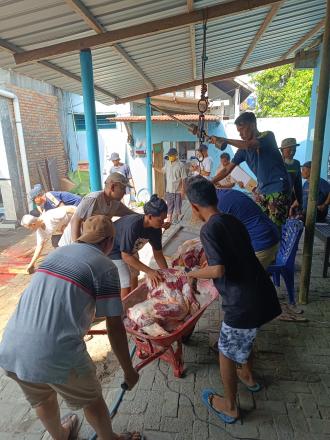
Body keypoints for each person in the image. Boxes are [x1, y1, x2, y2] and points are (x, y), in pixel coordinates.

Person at [0, 215, 142, 440]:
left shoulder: (56, 253)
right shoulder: (105, 266)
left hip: (11, 347)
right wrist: (128, 370)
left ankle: (61, 435)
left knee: (42, 398)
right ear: (109, 242)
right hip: (55, 352)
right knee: (91, 399)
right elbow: (114, 325)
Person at [184, 176, 281, 424]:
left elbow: (218, 270)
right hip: (261, 292)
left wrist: (192, 273)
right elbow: (234, 253)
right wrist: (211, 261)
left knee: (226, 352)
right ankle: (247, 375)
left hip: (242, 302)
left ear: (194, 207)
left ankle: (230, 406)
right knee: (248, 335)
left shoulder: (208, 229)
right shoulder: (231, 220)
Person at [210, 112, 290, 227]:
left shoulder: (267, 136)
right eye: (238, 132)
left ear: (252, 125)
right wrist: (211, 181)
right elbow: (227, 169)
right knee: (262, 226)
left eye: (242, 129)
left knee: (276, 228)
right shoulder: (242, 151)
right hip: (262, 191)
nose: (241, 134)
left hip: (278, 189)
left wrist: (225, 140)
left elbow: (249, 145)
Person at [109, 195, 168, 299]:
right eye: (160, 220)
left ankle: (133, 300)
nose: (163, 223)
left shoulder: (156, 229)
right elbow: (126, 256)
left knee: (135, 274)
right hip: (113, 249)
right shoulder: (133, 226)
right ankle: (123, 311)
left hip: (129, 249)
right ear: (149, 217)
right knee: (125, 281)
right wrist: (150, 271)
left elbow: (158, 255)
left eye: (164, 219)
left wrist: (168, 274)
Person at [216, 189, 280, 270]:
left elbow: (221, 239)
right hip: (268, 235)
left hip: (262, 243)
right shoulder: (227, 193)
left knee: (236, 278)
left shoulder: (219, 204)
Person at [70, 172, 134, 242]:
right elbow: (75, 221)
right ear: (112, 187)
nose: (125, 192)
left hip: (90, 241)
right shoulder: (93, 199)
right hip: (73, 241)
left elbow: (130, 213)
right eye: (123, 188)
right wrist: (77, 245)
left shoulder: (115, 202)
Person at [21, 205, 75, 273]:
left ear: (33, 224)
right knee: (58, 246)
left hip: (75, 221)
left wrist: (73, 222)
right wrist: (31, 264)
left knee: (69, 244)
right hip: (62, 230)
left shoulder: (50, 216)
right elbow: (39, 247)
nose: (30, 230)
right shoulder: (40, 231)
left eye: (29, 228)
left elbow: (70, 209)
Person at [153, 148, 186, 223]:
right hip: (169, 190)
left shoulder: (181, 165)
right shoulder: (167, 163)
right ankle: (169, 219)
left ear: (176, 155)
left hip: (178, 190)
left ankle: (177, 218)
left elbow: (184, 178)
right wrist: (154, 167)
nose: (170, 156)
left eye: (172, 155)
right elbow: (162, 171)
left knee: (178, 206)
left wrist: (183, 190)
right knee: (169, 206)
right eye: (169, 155)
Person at [279, 138, 303, 217]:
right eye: (289, 149)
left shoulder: (296, 163)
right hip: (276, 198)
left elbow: (298, 185)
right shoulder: (277, 163)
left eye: (294, 149)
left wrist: (300, 201)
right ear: (282, 150)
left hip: (290, 198)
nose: (292, 152)